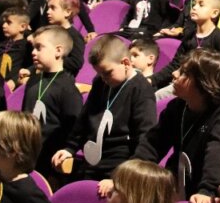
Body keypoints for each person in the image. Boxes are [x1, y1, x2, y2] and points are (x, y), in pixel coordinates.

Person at [134, 48, 220, 201]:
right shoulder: (178, 106)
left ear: (204, 84)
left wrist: (207, 193)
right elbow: (152, 144)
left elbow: (218, 165)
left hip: (204, 197)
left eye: (184, 73)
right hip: (174, 188)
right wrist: (131, 171)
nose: (174, 74)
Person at [53, 34, 156, 185]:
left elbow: (146, 136)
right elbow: (85, 118)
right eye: (99, 73)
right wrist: (70, 148)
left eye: (107, 73)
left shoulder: (141, 89)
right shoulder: (101, 83)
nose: (103, 78)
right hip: (91, 164)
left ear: (126, 63)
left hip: (119, 168)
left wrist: (124, 176)